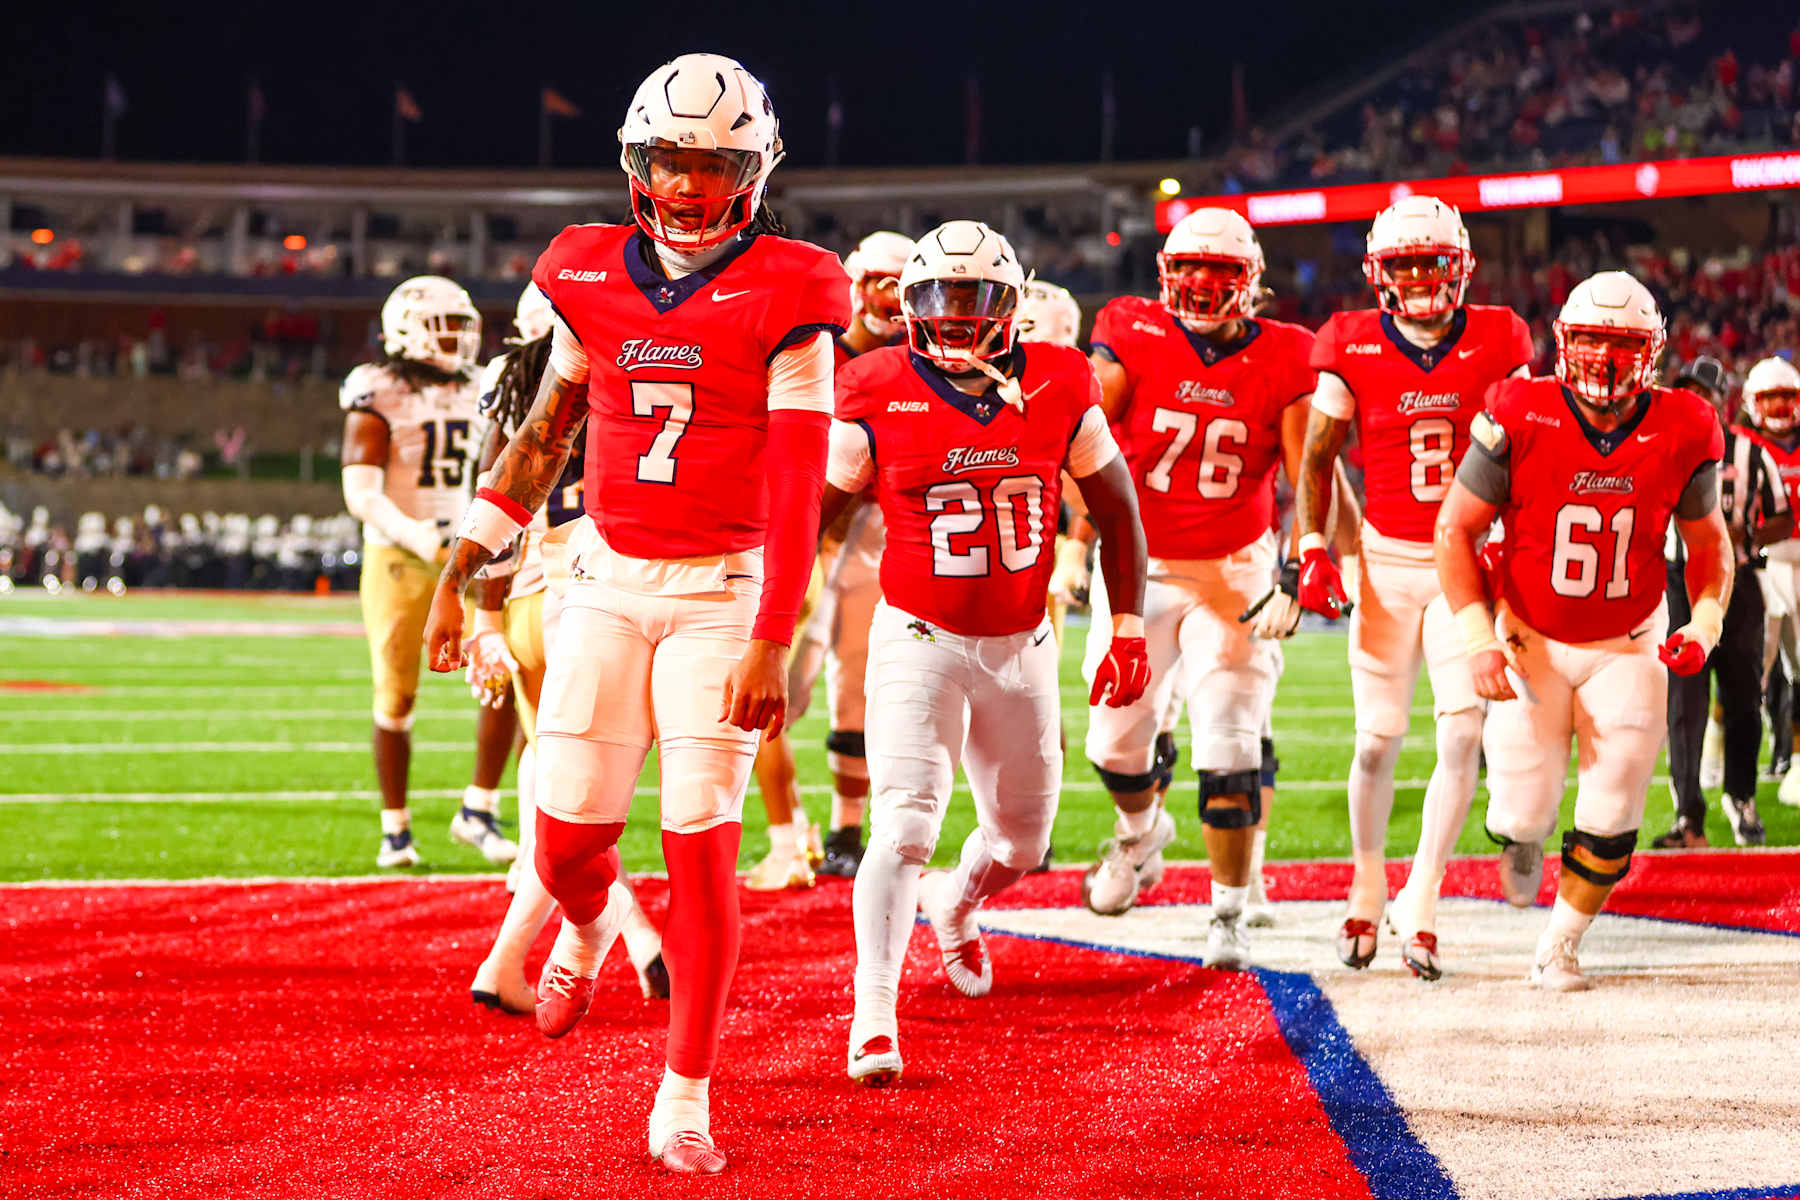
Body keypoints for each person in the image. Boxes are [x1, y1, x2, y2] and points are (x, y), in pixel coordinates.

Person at [423, 53, 849, 1175]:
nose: (689, 183)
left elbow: (801, 482)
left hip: (724, 591)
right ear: (636, 163)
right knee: (565, 845)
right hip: (605, 577)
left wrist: (775, 635)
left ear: (752, 171)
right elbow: (549, 425)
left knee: (700, 841)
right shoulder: (589, 271)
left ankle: (685, 1093)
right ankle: (583, 924)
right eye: (670, 158)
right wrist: (469, 552)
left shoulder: (797, 289)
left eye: (712, 162)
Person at [819, 220, 1148, 1086]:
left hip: (1022, 641)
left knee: (1022, 845)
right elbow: (817, 518)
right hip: (918, 636)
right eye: (938, 298)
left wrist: (1129, 627)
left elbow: (1116, 511)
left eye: (975, 299)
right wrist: (769, 620)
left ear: (1012, 305)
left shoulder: (1058, 378)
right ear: (911, 305)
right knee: (905, 822)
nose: (956, 317)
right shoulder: (873, 385)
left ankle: (957, 906)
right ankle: (875, 1015)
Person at [1437, 271, 1729, 990]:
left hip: (1628, 637)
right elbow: (1455, 531)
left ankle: (1561, 942)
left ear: (1652, 350)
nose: (1603, 357)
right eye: (1591, 339)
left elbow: (1710, 547)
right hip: (1529, 636)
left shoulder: (1686, 423)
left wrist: (1708, 622)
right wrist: (1477, 640)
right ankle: (1520, 839)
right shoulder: (1518, 410)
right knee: (1523, 810)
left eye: (1622, 343)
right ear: (1565, 343)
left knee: (1618, 796)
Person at [1293, 196, 1533, 980]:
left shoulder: (1500, 336)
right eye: (1408, 265)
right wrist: (1310, 545)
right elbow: (1319, 457)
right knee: (1377, 740)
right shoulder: (1351, 342)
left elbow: (1530, 451)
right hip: (1387, 561)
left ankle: (1422, 898)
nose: (1425, 279)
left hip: (1464, 558)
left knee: (1463, 733)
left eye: (1436, 262)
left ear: (1461, 265)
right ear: (1379, 274)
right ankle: (1366, 881)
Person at [1075, 208, 1313, 969]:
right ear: (1166, 275)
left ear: (1253, 282)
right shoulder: (1130, 329)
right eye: (1191, 270)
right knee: (1112, 742)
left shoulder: (1289, 354)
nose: (1205, 286)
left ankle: (1229, 913)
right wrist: (1072, 542)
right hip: (1138, 566)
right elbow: (1082, 433)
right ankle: (1143, 835)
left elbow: (1309, 470)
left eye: (1223, 272)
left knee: (1230, 737)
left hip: (1235, 569)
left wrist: (1302, 560)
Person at [462, 284, 669, 1012]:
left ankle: (633, 941)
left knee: (554, 788)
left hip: (523, 597)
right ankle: (510, 958)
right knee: (569, 804)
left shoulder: (518, 388)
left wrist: (481, 619)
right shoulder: (632, 383)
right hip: (591, 599)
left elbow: (491, 499)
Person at [338, 275, 518, 869]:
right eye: (445, 328)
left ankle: (480, 807)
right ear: (406, 330)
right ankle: (396, 828)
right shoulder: (377, 389)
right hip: (402, 555)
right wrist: (422, 537)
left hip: (472, 551)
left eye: (464, 328)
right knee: (397, 693)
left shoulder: (486, 383)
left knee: (502, 671)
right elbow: (361, 492)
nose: (459, 342)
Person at [786, 230, 919, 881]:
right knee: (775, 692)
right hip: (798, 534)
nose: (890, 299)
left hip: (875, 536)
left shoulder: (920, 363)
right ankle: (786, 825)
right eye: (879, 283)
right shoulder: (811, 349)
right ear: (856, 284)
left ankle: (843, 829)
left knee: (857, 693)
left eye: (903, 285)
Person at [1656, 357, 1790, 848]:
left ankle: (1741, 797)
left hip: (1740, 583)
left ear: (1721, 400)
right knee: (1683, 705)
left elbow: (1781, 516)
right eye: (1686, 391)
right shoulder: (1661, 443)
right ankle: (1687, 816)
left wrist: (1748, 533)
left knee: (1742, 699)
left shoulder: (1752, 450)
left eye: (1703, 393)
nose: (1694, 401)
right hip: (1678, 582)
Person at [1740, 356, 1800, 817]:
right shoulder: (1740, 446)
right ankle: (1718, 753)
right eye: (1770, 397)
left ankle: (1795, 758)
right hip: (1760, 563)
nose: (1781, 406)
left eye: (1788, 396)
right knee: (1749, 666)